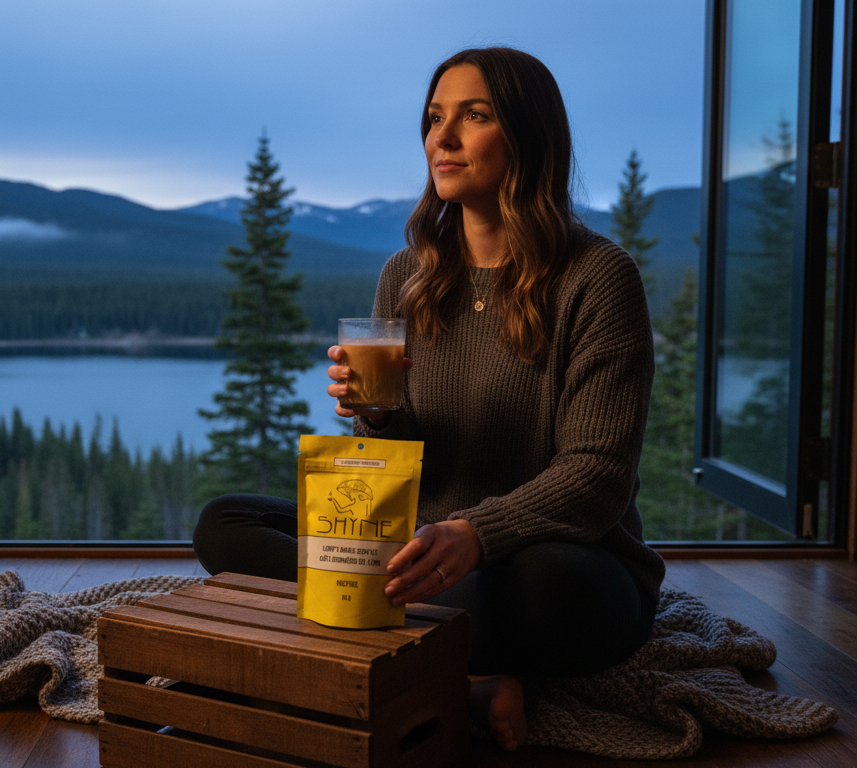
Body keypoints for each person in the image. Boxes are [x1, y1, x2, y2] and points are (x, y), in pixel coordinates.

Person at [192, 47, 665, 752]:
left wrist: (476, 535)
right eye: (434, 118)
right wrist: (377, 415)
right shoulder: (407, 273)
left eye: (473, 117)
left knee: (538, 585)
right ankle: (462, 678)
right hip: (423, 551)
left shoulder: (597, 278)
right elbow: (391, 460)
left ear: (529, 135)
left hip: (555, 563)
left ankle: (366, 640)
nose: (442, 138)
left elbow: (597, 475)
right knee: (225, 524)